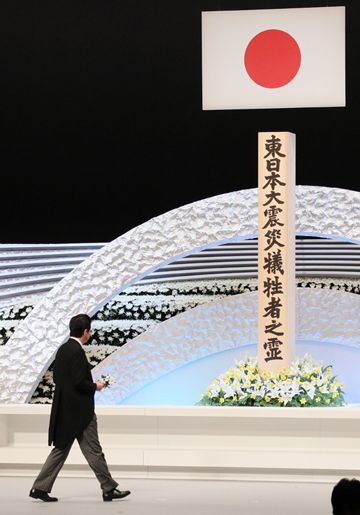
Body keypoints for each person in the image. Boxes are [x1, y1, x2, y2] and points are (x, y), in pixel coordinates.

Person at [29, 313, 130, 503]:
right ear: (85, 332)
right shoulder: (76, 351)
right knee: (93, 450)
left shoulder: (62, 349)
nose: (89, 334)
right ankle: (108, 488)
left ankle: (40, 488)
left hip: (66, 410)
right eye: (89, 331)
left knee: (61, 449)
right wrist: (96, 386)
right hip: (81, 412)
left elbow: (60, 380)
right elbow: (78, 382)